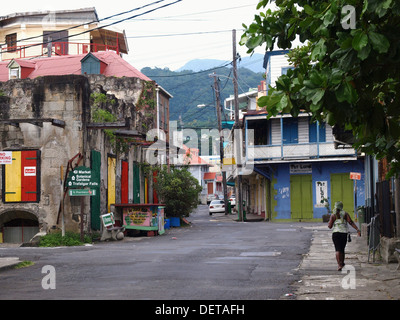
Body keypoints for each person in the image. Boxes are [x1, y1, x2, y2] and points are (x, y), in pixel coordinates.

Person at [328, 201, 361, 271]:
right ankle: (342, 263)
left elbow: (330, 226)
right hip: (343, 233)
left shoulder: (333, 215)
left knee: (337, 249)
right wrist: (357, 229)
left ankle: (339, 265)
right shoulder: (345, 214)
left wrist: (332, 222)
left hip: (336, 233)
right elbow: (350, 222)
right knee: (342, 249)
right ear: (341, 207)